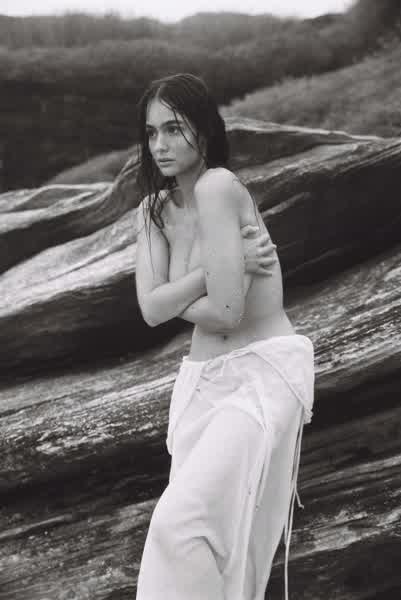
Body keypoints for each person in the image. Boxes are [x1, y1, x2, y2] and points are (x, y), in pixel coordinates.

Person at [134, 73, 315, 600]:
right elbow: (149, 311)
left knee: (180, 526)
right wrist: (210, 274)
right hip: (200, 385)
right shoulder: (152, 212)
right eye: (151, 133)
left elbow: (228, 312)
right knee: (204, 542)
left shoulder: (218, 187)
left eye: (174, 129)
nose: (160, 144)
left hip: (259, 376)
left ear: (205, 130)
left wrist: (174, 296)